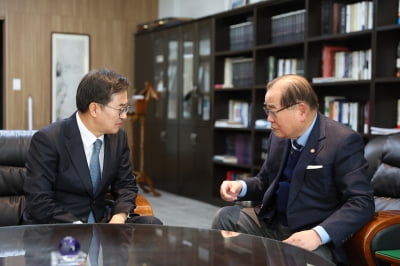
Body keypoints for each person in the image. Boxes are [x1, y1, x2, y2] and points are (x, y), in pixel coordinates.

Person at [211, 74, 375, 265]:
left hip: (311, 233)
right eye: (267, 110)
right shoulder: (279, 136)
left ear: (301, 110)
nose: (268, 119)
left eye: (273, 111)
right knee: (225, 218)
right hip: (271, 223)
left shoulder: (342, 141)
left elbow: (361, 201)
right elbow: (265, 181)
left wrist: (317, 234)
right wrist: (241, 186)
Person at [22, 68, 162, 225]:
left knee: (151, 224)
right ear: (94, 109)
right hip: (60, 224)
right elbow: (38, 201)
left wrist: (119, 216)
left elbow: (126, 185)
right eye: (120, 109)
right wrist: (79, 228)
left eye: (125, 108)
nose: (124, 116)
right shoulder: (48, 139)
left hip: (101, 220)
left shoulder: (118, 137)